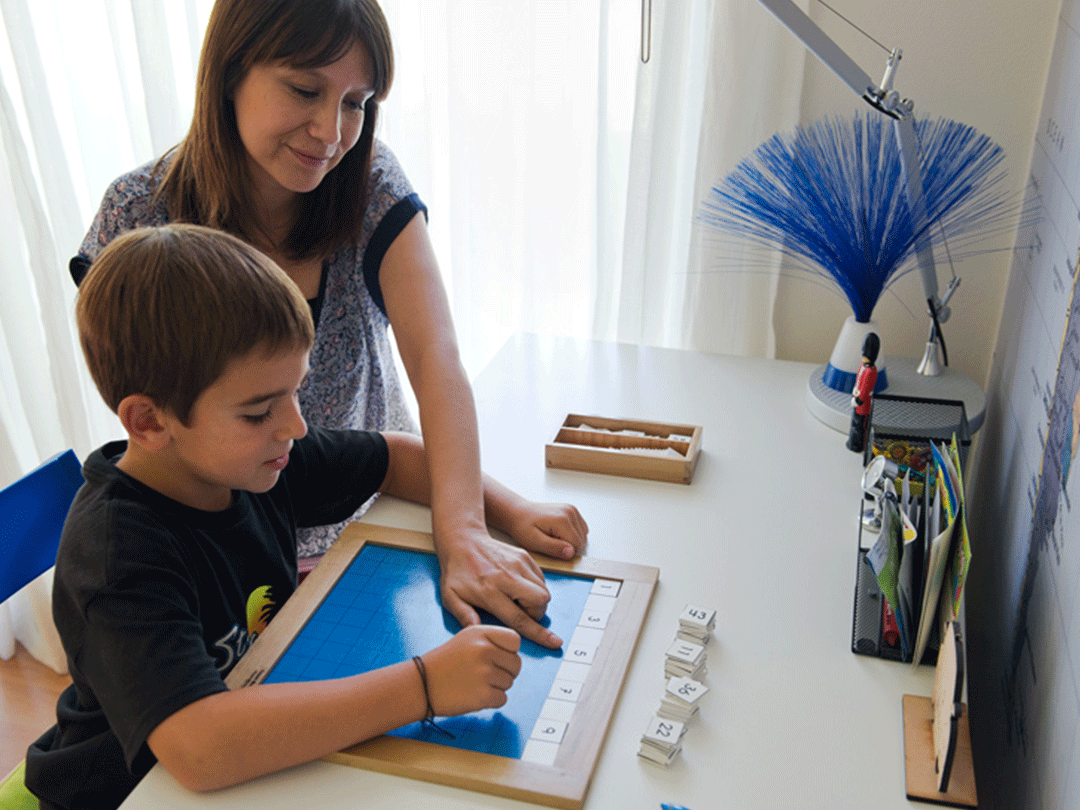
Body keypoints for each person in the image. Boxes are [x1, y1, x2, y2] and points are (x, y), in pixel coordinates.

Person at [68, 0, 586, 649]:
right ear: (231, 71)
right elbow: (150, 406)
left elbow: (436, 360)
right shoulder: (138, 212)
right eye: (305, 89)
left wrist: (469, 527)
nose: (331, 131)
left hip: (369, 513)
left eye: (356, 103)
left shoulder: (370, 179)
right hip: (220, 549)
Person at [25, 224, 587, 810]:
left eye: (295, 391)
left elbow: (401, 458)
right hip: (129, 794)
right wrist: (424, 685)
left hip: (248, 722)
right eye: (259, 411)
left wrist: (509, 512)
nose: (294, 426)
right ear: (148, 422)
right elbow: (200, 747)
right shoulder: (117, 556)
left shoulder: (249, 461)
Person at [846, 332, 880, 454]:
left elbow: (866, 388)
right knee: (854, 423)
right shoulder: (863, 366)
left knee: (860, 426)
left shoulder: (871, 371)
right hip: (857, 400)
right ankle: (853, 442)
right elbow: (859, 381)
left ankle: (858, 445)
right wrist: (855, 391)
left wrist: (858, 400)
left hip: (862, 404)